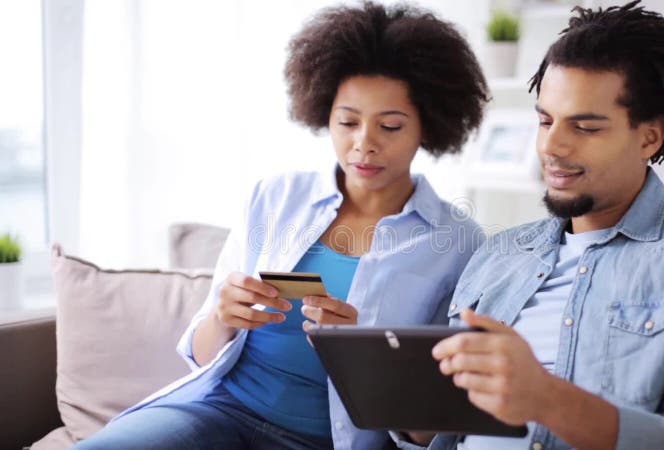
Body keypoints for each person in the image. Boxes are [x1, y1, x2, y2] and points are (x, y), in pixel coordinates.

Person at [73, 2, 488, 450]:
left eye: (389, 126)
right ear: (323, 113)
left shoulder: (457, 243)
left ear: (428, 125)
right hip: (218, 411)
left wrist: (361, 357)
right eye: (347, 121)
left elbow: (433, 423)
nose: (363, 144)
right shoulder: (274, 197)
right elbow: (201, 354)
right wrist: (222, 316)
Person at [396, 2, 664, 449]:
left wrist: (546, 398)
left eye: (586, 127)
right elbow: (437, 436)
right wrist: (406, 406)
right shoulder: (499, 254)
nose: (552, 146)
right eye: (545, 121)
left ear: (649, 136)